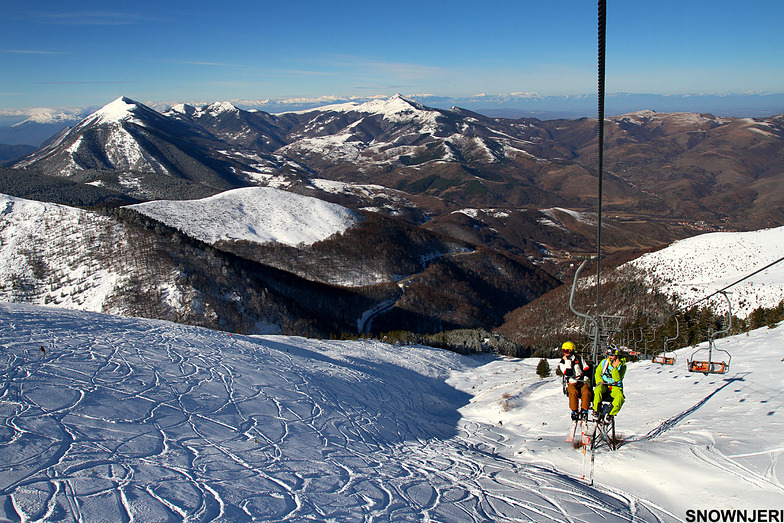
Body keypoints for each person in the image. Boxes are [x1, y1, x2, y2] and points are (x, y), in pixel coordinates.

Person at [557, 341, 592, 421]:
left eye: (567, 351)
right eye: (563, 351)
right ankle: (574, 411)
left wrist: (585, 378)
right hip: (572, 381)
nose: (565, 353)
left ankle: (584, 410)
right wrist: (568, 361)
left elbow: (586, 369)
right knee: (573, 392)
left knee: (586, 392)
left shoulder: (579, 359)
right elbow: (568, 373)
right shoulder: (563, 363)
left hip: (582, 381)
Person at [593, 347, 626, 417]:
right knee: (597, 390)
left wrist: (615, 368)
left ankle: (610, 413)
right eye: (609, 355)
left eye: (612, 355)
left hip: (615, 386)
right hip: (604, 384)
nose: (610, 357)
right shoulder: (604, 363)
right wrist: (600, 381)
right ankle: (596, 410)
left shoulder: (622, 366)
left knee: (620, 397)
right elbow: (598, 373)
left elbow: (617, 379)